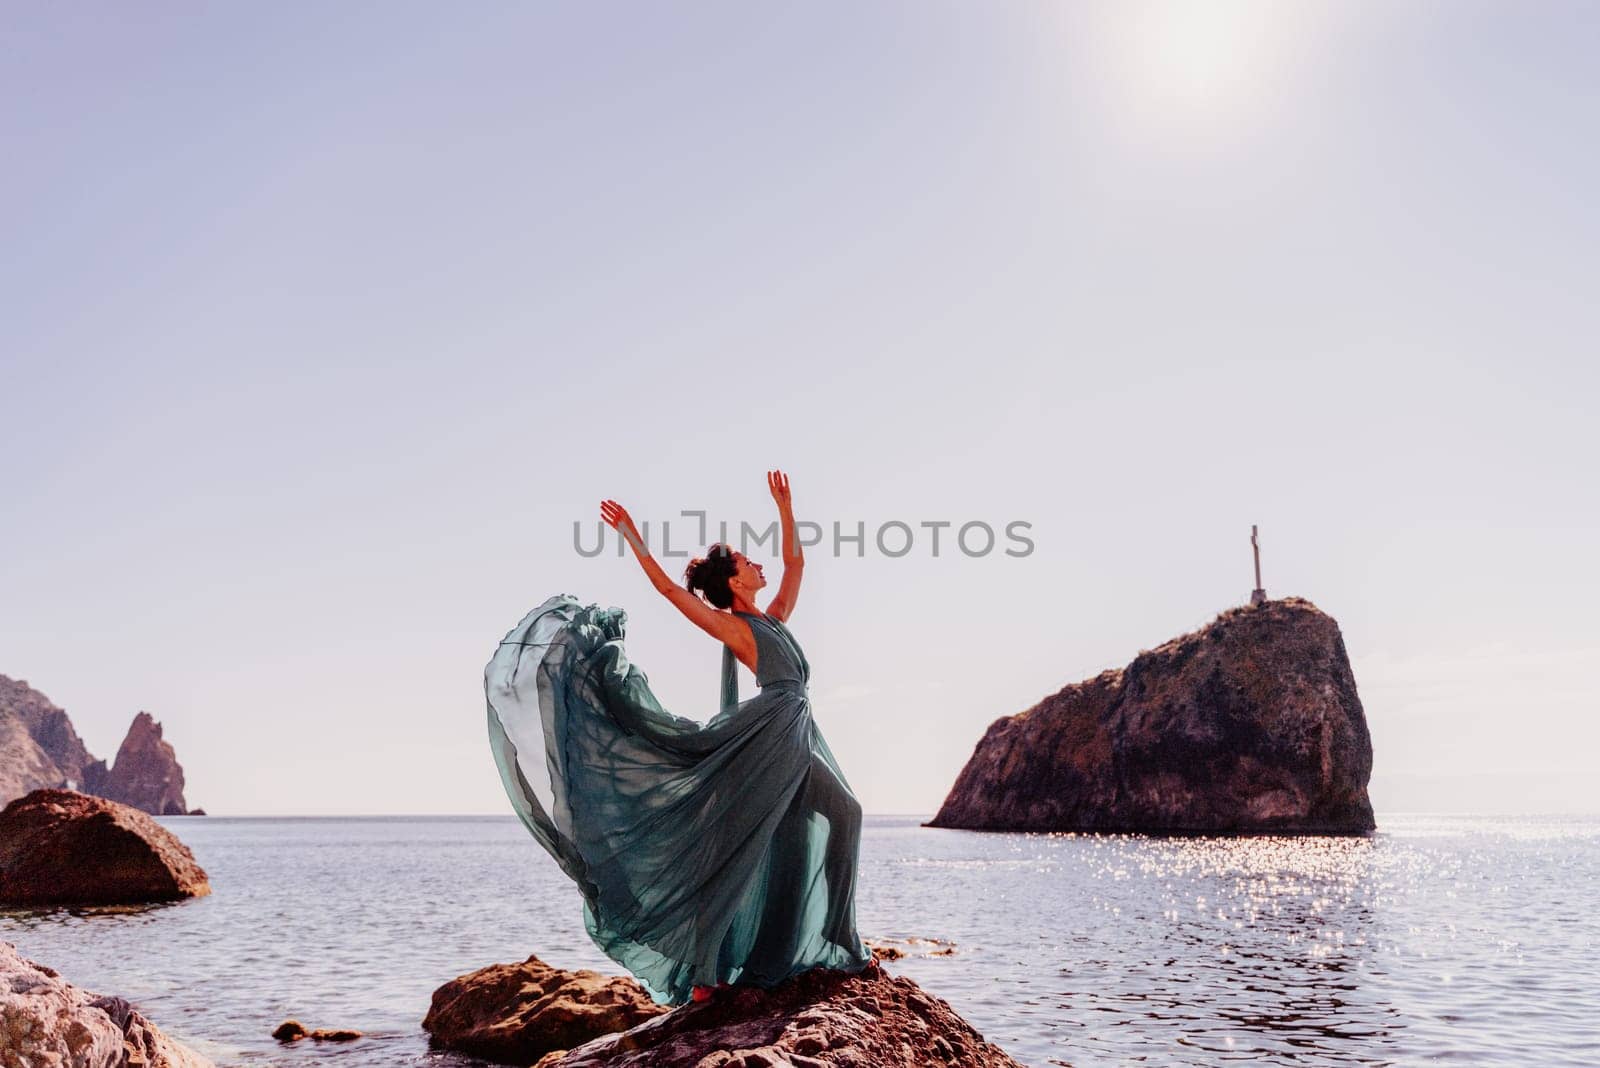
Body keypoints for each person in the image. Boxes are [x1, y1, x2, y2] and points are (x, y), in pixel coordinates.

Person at [483, 469, 876, 1007]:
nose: (758, 564)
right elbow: (670, 590)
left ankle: (831, 934)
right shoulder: (736, 627)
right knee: (743, 851)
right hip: (770, 742)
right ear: (735, 582)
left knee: (842, 815)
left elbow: (797, 563)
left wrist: (786, 508)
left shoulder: (775, 618)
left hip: (794, 732)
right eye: (747, 561)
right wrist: (633, 539)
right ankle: (707, 974)